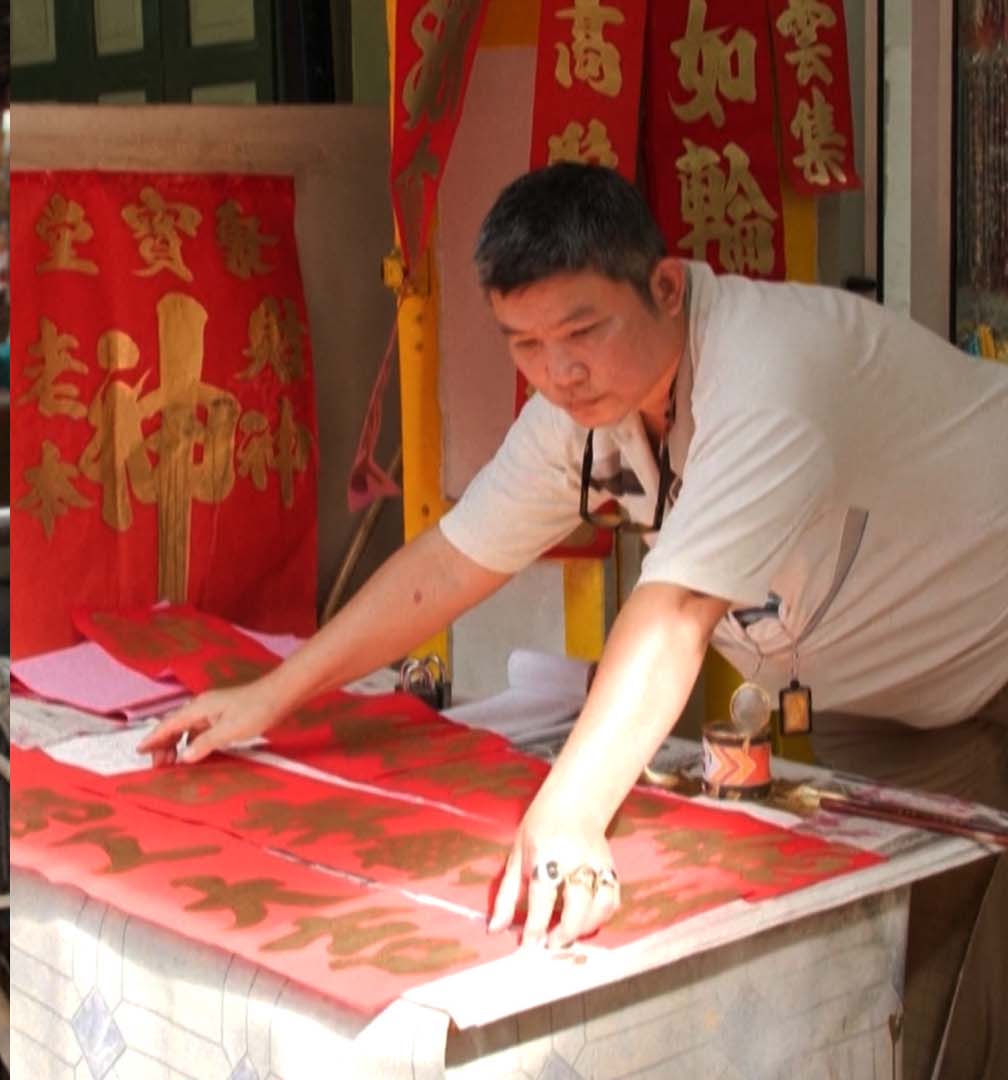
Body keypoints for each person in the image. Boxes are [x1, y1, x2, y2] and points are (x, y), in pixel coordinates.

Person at [138, 163, 1008, 1076]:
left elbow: (673, 611)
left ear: (665, 286)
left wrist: (568, 816)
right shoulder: (585, 409)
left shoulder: (772, 372)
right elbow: (450, 562)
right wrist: (275, 696)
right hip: (906, 699)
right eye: (523, 343)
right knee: (910, 970)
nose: (557, 370)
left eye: (583, 329)